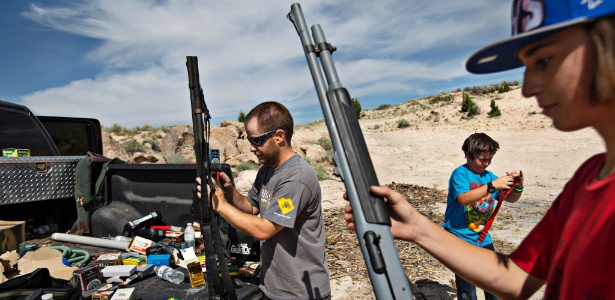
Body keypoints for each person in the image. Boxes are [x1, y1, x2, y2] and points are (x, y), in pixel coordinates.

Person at [344, 0, 615, 298]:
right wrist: (416, 228)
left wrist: (513, 189)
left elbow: (509, 209)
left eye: (544, 59)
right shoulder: (588, 178)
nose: (527, 88)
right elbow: (516, 277)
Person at [197, 101, 331, 300]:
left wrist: (220, 205)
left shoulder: (297, 178)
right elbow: (252, 208)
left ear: (279, 136)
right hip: (273, 286)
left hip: (300, 292)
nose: (251, 148)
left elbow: (264, 229)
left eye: (256, 141)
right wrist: (229, 193)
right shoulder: (267, 170)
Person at [443, 133, 523, 300]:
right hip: (459, 237)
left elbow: (510, 199)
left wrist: (517, 186)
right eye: (482, 159)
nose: (486, 163)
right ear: (468, 155)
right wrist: (493, 186)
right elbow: (463, 199)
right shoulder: (460, 174)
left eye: (490, 159)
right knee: (467, 287)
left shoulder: (489, 176)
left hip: (482, 237)